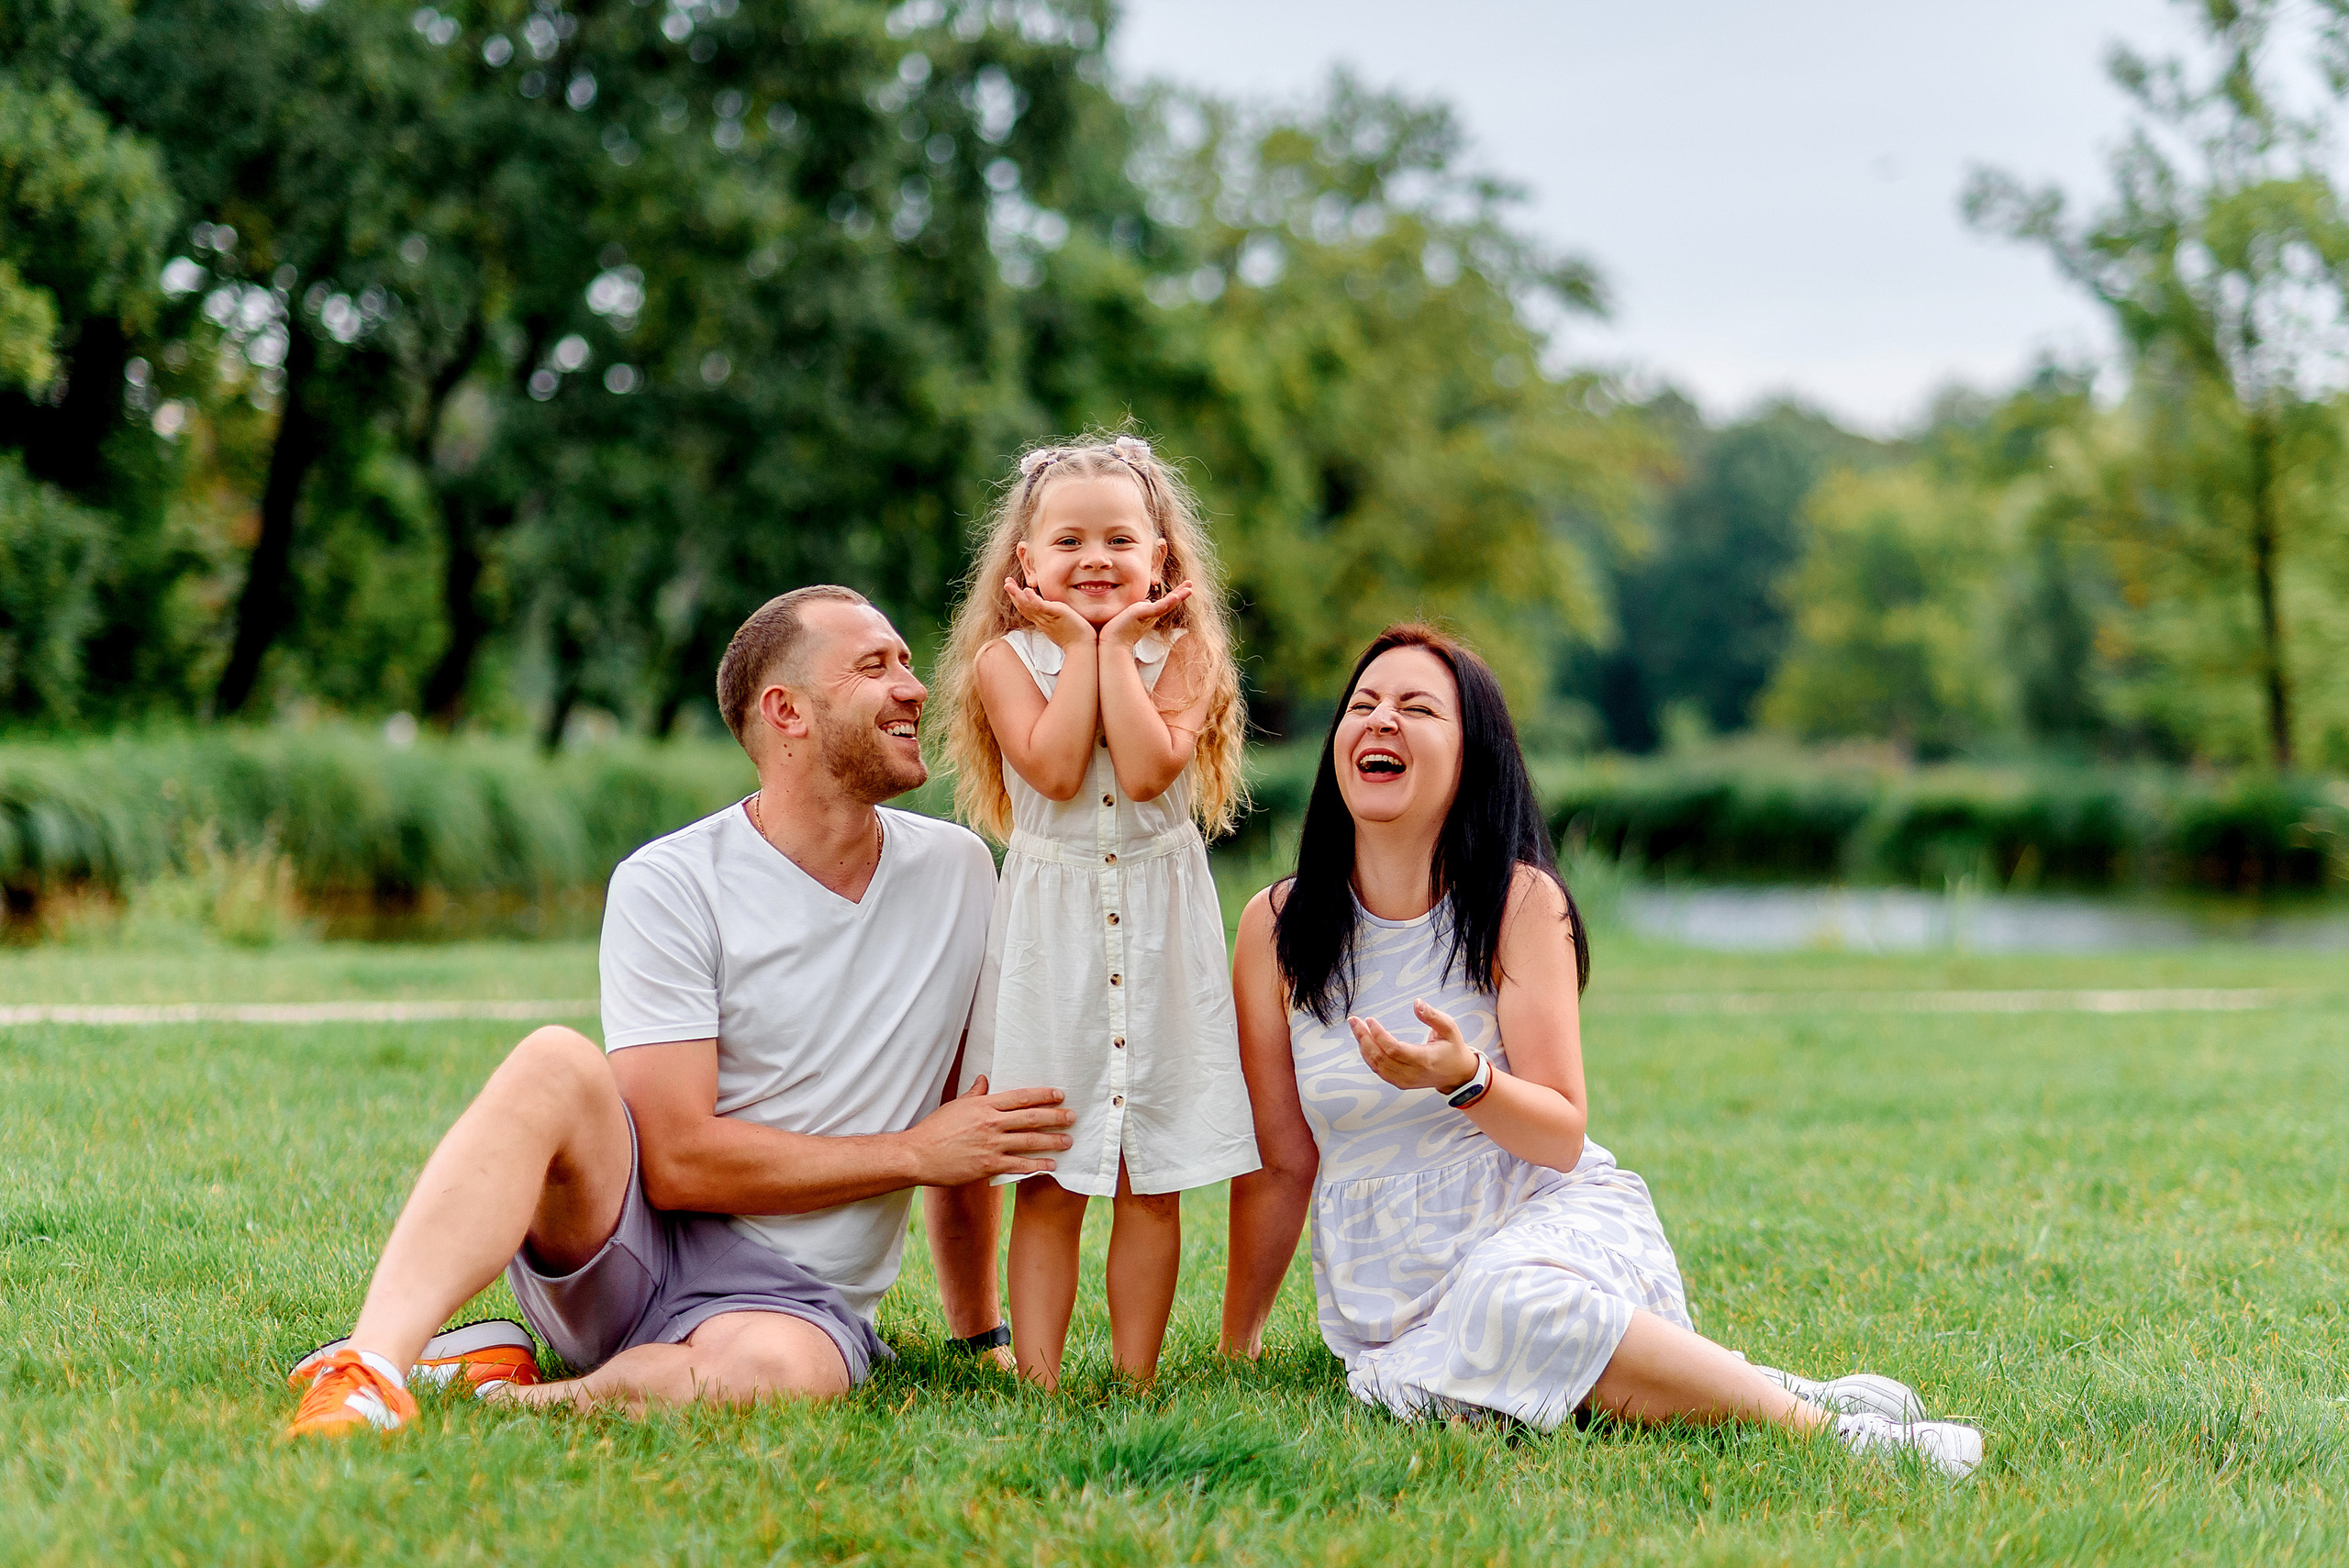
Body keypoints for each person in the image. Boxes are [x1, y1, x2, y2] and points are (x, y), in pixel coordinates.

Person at [284, 586, 1077, 1438]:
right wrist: (912, 1152)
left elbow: (969, 1130)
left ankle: (496, 1391)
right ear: (788, 712)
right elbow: (677, 1159)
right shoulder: (671, 881)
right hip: (630, 1251)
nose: (914, 688)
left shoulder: (962, 873)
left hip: (791, 1305)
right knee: (556, 1059)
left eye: (908, 665)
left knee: (782, 1372)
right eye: (875, 666)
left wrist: (978, 1336)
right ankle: (367, 1365)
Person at [1219, 625, 1984, 1477]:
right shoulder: (1275, 927)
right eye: (1362, 705)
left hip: (1551, 1222)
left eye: (1416, 708)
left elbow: (1560, 1134)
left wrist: (1465, 1077)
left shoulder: (1517, 903)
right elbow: (1280, 1161)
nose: (1380, 721)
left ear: (1471, 756)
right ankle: (1791, 1388)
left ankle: (1838, 1435)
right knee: (1496, 1329)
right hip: (1390, 1293)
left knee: (1511, 1303)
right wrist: (1238, 1342)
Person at [935, 434, 1259, 1388]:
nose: (1094, 559)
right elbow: (1057, 766)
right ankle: (1037, 1377)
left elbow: (1155, 764)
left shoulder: (1185, 653)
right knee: (1046, 1165)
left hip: (1159, 926)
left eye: (1119, 539)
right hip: (1053, 935)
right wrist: (1082, 647)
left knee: (1144, 1170)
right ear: (1025, 561)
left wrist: (1115, 645)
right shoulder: (1005, 662)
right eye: (1068, 540)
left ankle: (1134, 1376)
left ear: (1160, 557)